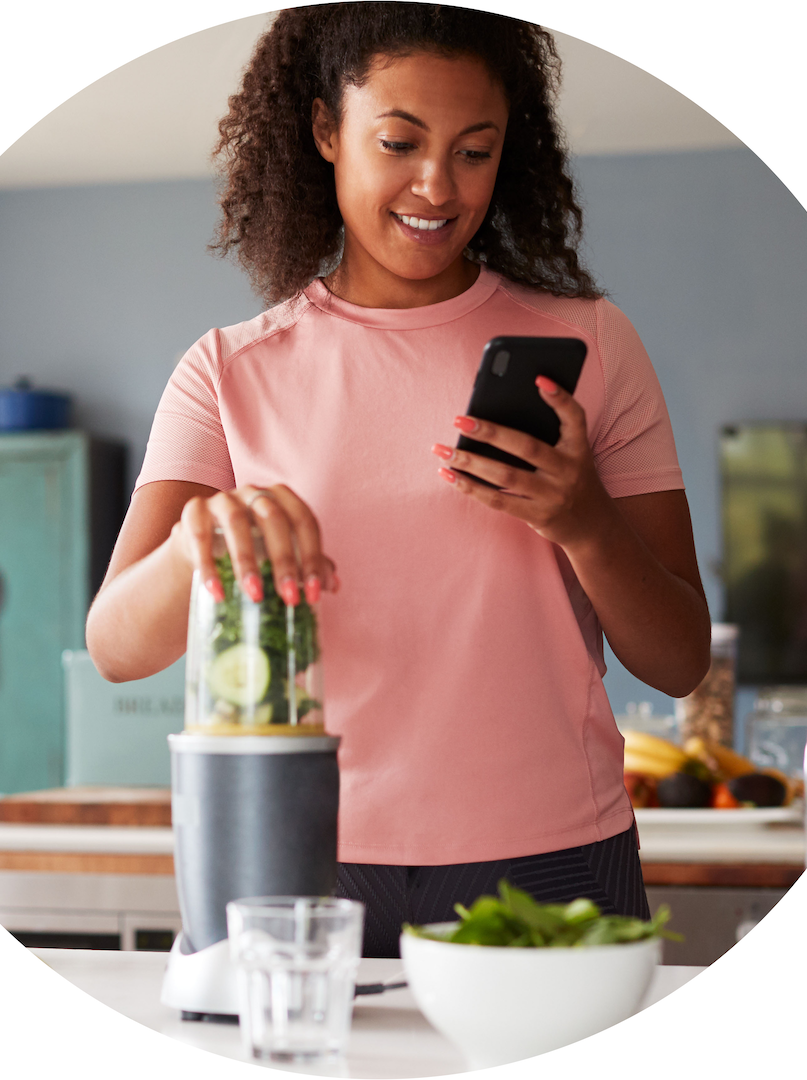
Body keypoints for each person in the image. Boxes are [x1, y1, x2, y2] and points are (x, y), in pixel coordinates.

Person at [85, 3, 711, 958]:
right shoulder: (228, 372)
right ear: (326, 131)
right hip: (295, 855)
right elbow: (117, 647)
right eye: (399, 141)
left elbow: (679, 659)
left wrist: (583, 522)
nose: (437, 185)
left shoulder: (591, 345)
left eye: (474, 149)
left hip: (552, 855)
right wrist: (196, 546)